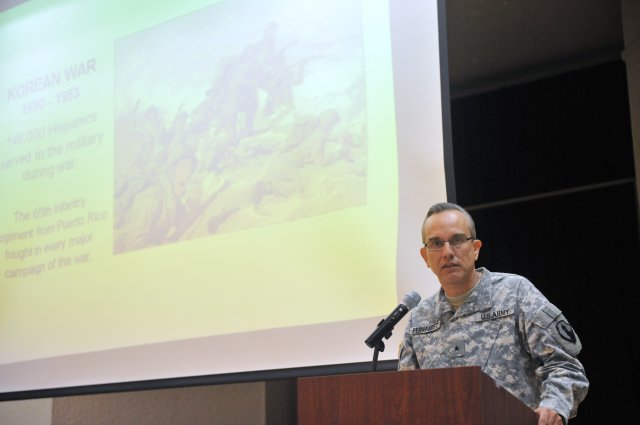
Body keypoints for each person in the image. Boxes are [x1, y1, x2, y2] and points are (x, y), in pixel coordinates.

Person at [398, 202, 588, 425]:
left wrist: (553, 406)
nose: (447, 252)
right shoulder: (419, 319)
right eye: (436, 244)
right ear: (425, 256)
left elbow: (565, 366)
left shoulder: (516, 292)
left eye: (458, 240)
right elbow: (407, 397)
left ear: (476, 248)